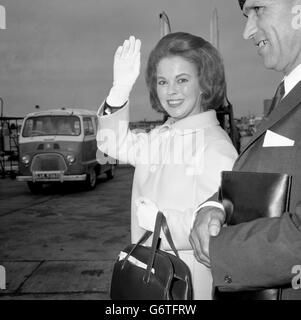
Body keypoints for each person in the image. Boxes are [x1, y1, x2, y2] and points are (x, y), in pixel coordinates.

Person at [96, 33, 238, 299]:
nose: (170, 91)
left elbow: (218, 229)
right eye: (162, 81)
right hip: (152, 277)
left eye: (182, 80)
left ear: (204, 84)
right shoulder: (165, 134)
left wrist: (161, 222)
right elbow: (111, 145)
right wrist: (119, 91)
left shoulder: (215, 148)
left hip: (182, 285)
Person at [190, 0, 301, 300]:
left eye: (258, 9)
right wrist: (214, 207)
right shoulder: (287, 92)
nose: (246, 30)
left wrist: (220, 249)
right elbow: (269, 173)